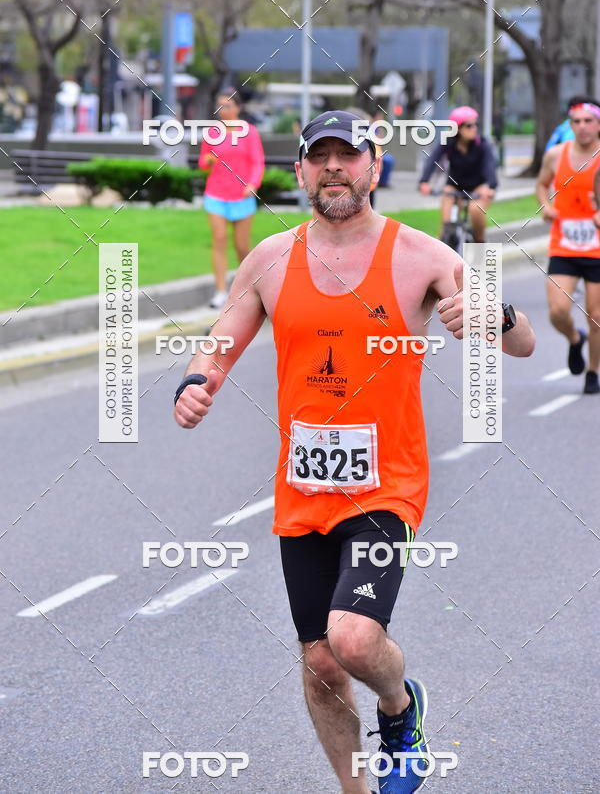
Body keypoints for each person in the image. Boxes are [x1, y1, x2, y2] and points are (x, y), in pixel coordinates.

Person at [174, 110, 535, 793]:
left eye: (349, 155)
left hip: (385, 484)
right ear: (301, 171)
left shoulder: (422, 256)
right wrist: (198, 379)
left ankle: (400, 706)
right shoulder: (271, 259)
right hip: (302, 490)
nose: (334, 167)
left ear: (374, 165)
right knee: (321, 665)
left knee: (355, 639)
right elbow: (221, 337)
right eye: (320, 156)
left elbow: (522, 344)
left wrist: (499, 317)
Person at [536, 101, 600, 394]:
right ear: (570, 125)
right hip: (564, 244)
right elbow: (540, 185)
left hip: (597, 249)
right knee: (558, 310)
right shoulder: (555, 155)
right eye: (577, 121)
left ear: (598, 124)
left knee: (596, 314)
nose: (583, 126)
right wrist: (545, 206)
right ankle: (576, 339)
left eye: (589, 120)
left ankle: (592, 372)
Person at [199, 88, 265, 308]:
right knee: (218, 240)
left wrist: (253, 184)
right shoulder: (212, 133)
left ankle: (246, 290)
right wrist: (207, 161)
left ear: (237, 108)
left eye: (227, 105)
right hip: (215, 194)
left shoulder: (250, 132)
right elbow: (202, 163)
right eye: (219, 106)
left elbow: (257, 162)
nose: (222, 110)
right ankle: (220, 291)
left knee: (241, 246)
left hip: (241, 196)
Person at [418, 106, 497, 243]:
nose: (474, 128)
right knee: (446, 223)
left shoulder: (483, 145)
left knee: (475, 210)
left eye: (475, 124)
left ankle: (481, 243)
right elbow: (433, 160)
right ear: (457, 129)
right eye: (469, 125)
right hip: (454, 187)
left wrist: (491, 187)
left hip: (478, 187)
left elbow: (490, 167)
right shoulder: (448, 142)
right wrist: (424, 181)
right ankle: (445, 243)